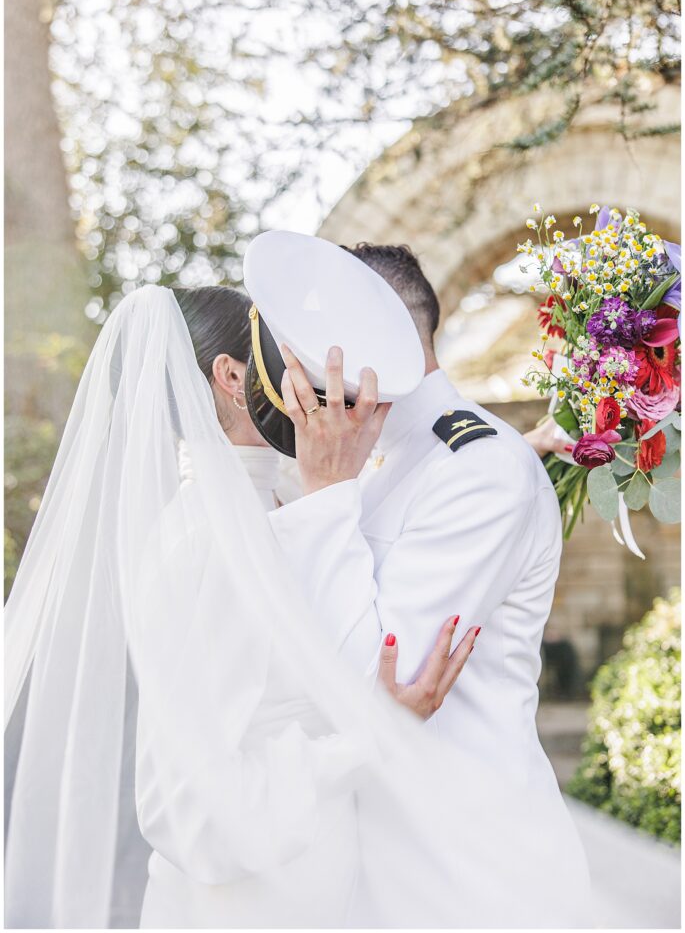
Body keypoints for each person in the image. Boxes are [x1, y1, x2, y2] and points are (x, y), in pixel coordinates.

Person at [5, 280, 591, 930]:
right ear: (233, 376)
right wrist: (370, 732)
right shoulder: (206, 541)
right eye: (283, 352)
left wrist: (504, 456)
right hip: (253, 906)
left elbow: (351, 522)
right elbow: (187, 805)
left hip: (338, 889)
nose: (312, 369)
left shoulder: (287, 496)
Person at [258, 239, 579, 800]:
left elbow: (379, 686)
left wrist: (327, 495)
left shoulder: (482, 467)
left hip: (465, 851)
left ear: (371, 326)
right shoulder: (365, 454)